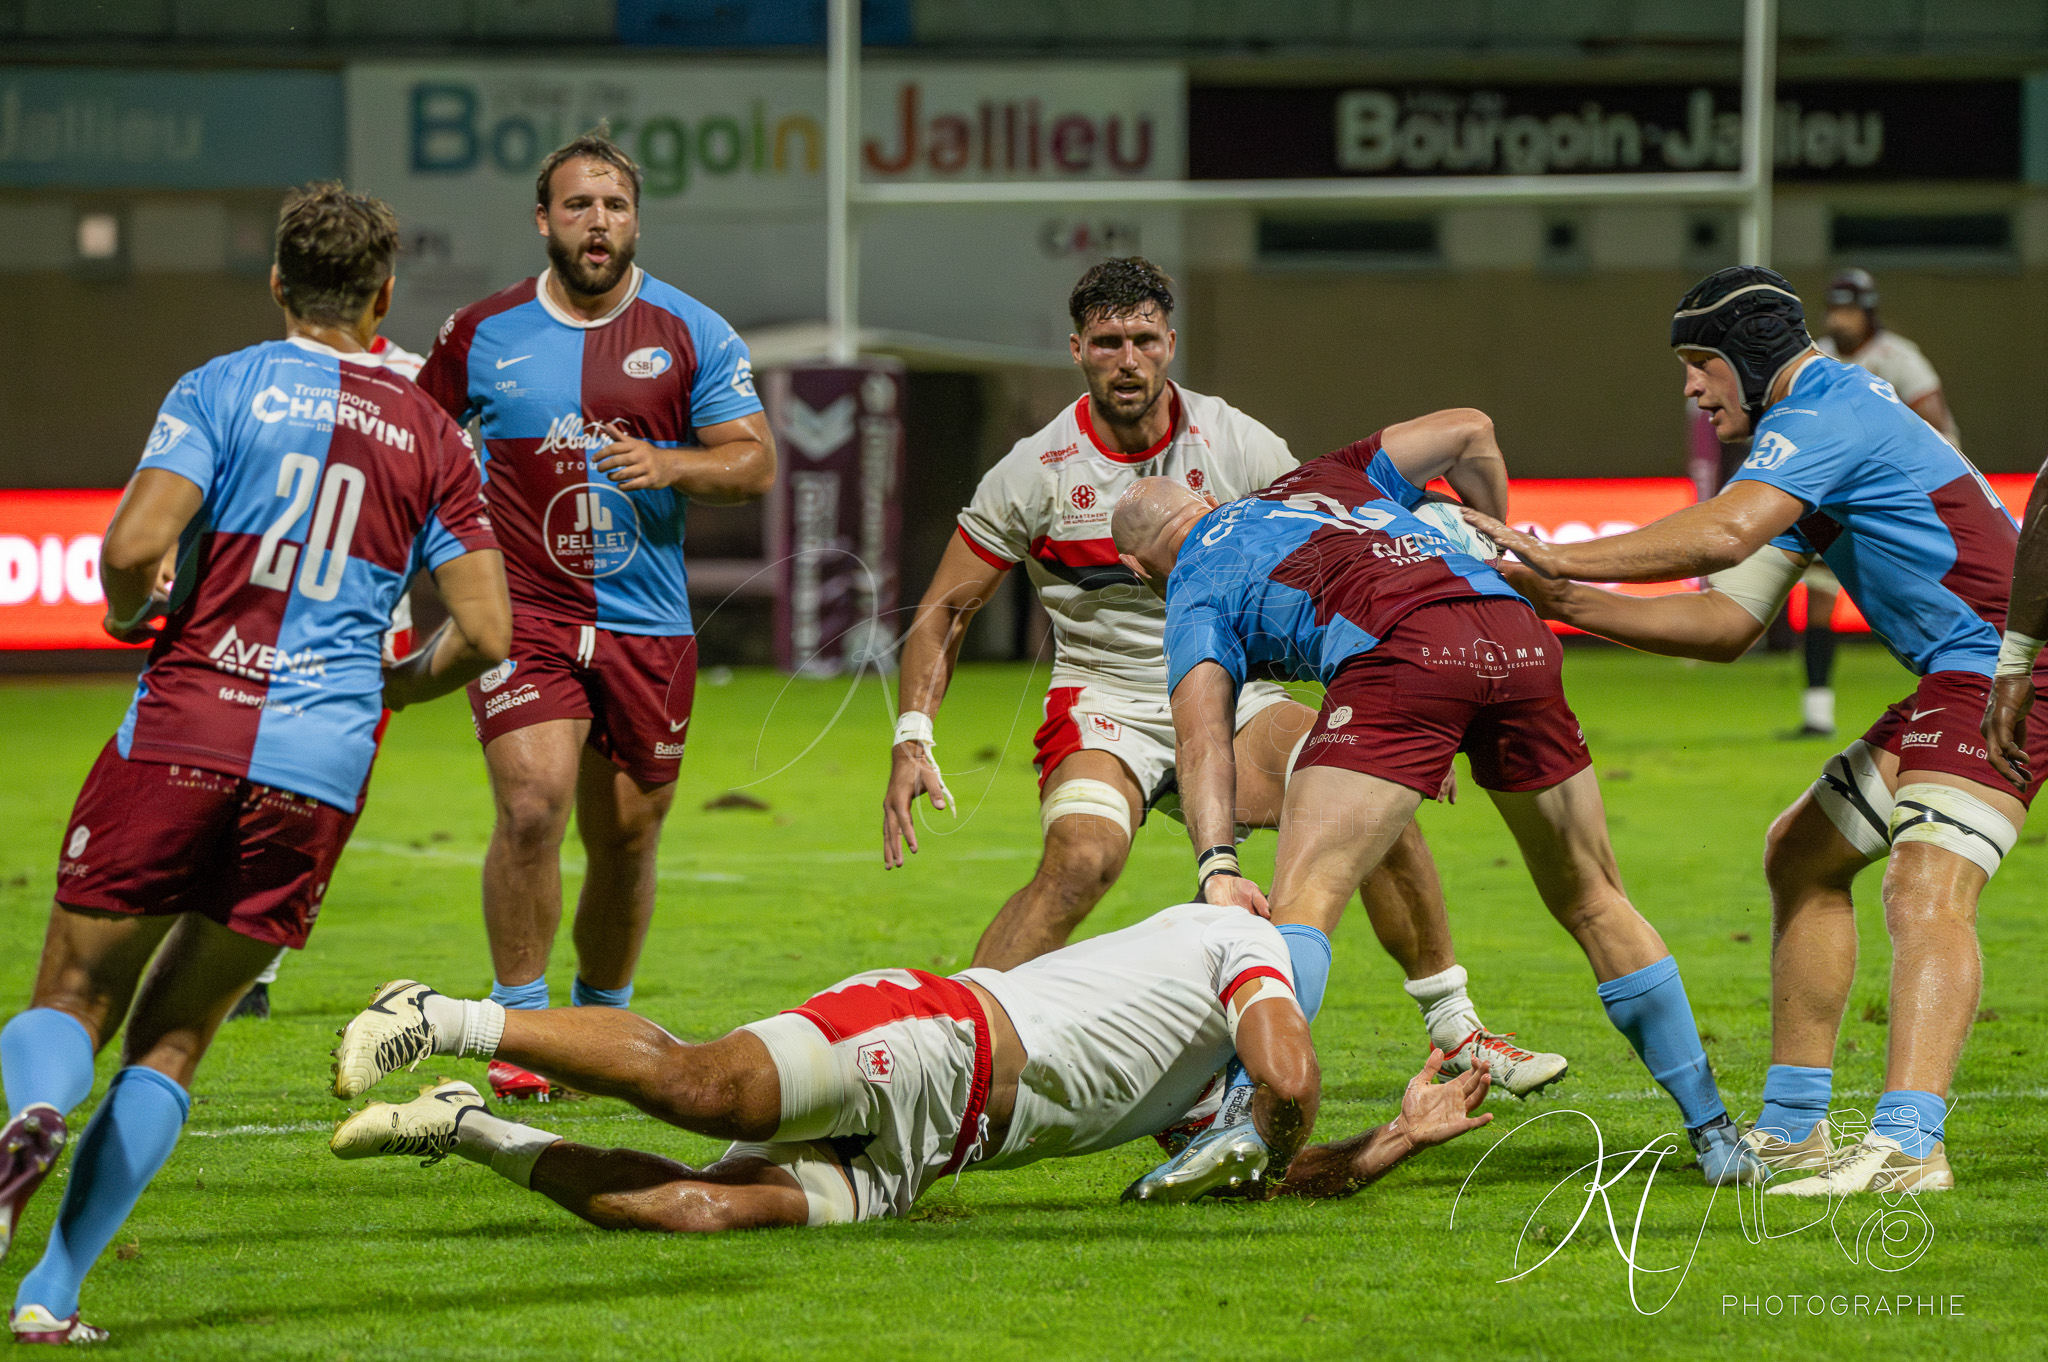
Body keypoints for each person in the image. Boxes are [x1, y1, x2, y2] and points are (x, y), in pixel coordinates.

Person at [0, 183, 510, 1345]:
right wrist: (387, 684)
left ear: (278, 281)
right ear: (384, 297)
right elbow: (483, 637)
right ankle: (52, 1295)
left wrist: (136, 616)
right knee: (176, 1039)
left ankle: (35, 1105)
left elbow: (132, 548)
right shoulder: (434, 437)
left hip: (182, 727)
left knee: (74, 998)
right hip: (317, 765)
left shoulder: (220, 386)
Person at [881, 257, 1564, 1096]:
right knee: (1081, 858)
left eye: (1141, 339)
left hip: (1238, 687)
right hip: (1111, 700)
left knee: (1376, 808)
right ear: (1077, 350)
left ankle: (1457, 1033)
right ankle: (950, 1058)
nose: (1126, 359)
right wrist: (913, 734)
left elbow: (1333, 557)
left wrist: (1401, 715)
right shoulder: (1037, 470)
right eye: (1106, 343)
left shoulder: (1235, 441)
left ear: (1170, 343)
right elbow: (944, 611)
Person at [1467, 265, 2034, 1195]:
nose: (1691, 386)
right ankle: (1795, 1127)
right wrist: (1567, 598)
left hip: (2010, 669)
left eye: (1702, 362)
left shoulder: (1823, 411)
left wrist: (1556, 551)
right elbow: (1727, 624)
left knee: (1927, 880)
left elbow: (1724, 535)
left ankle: (1908, 1143)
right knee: (1801, 856)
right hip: (1961, 668)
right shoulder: (1808, 433)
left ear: (1752, 354)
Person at [1109, 421, 1758, 1189]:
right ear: (1207, 498)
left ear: (1132, 565)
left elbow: (1203, 742)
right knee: (1594, 898)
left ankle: (1237, 1113)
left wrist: (1218, 861)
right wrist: (1503, 532)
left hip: (1404, 654)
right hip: (1514, 628)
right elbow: (1473, 429)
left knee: (1305, 898)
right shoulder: (1327, 475)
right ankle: (1716, 1134)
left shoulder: (1193, 581)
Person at [326, 902, 1496, 1226]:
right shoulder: (1233, 943)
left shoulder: (1206, 1069)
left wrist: (1395, 1139)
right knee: (700, 1086)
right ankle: (441, 1017)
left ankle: (464, 1125)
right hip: (934, 1039)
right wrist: (1281, 1119)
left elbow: (1252, 1172)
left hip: (938, 1152)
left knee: (693, 1211)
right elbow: (1284, 1094)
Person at [416, 131, 776, 1102]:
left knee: (623, 838)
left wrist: (672, 464)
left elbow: (753, 461)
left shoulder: (692, 331)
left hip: (644, 627)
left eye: (613, 205)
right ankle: (519, 1020)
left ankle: (599, 1022)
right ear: (544, 221)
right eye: (577, 205)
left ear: (634, 220)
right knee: (530, 805)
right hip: (523, 611)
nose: (597, 222)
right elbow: (413, 446)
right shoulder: (479, 333)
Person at [227, 333, 427, 1024]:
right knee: (229, 786)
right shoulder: (256, 372)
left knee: (320, 800)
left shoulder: (422, 379)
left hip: (365, 633)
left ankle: (255, 965)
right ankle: (222, 948)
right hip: (259, 618)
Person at [1789, 268, 1965, 739]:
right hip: (1835, 499)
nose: (1841, 318)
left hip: (1893, 503)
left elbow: (1939, 427)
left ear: (1869, 313)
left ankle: (1949, 704)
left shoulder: (1898, 358)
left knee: (1915, 606)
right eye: (1835, 309)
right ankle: (1818, 713)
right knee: (1820, 601)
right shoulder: (1816, 356)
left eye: (1850, 309)